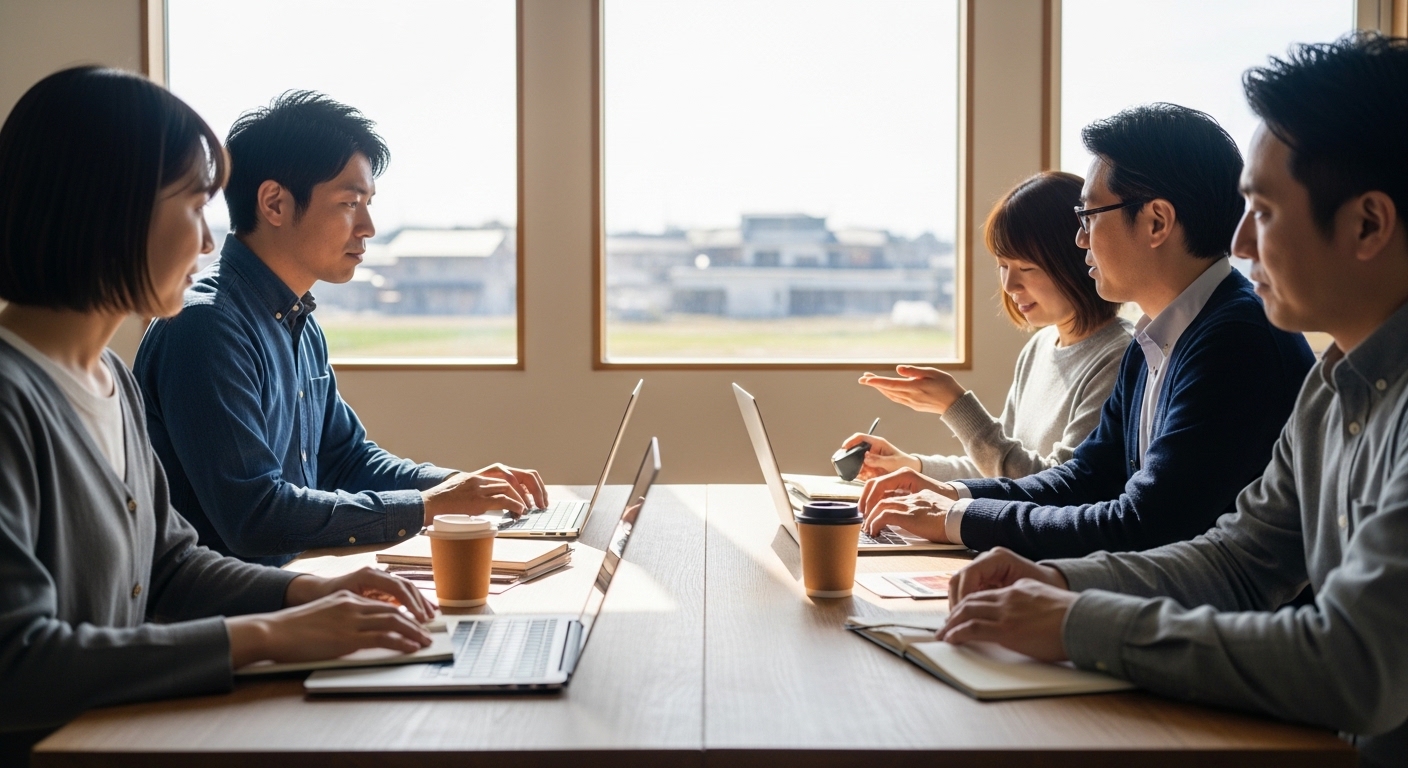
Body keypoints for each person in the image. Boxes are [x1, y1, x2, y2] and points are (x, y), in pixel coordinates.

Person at [934, 34, 1408, 767]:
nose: (1241, 242)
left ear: (1368, 224)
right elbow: (1241, 560)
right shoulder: (1331, 380)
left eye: (1265, 212)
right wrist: (1057, 580)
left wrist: (1075, 622)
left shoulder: (1246, 340)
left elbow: (1356, 665)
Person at [0, 67, 438, 764]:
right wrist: (271, 634)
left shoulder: (109, 378)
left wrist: (312, 591)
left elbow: (169, 566)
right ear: (108, 206)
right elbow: (18, 665)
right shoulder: (12, 402)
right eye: (193, 206)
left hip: (127, 736)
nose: (208, 244)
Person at [858, 103, 1315, 560]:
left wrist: (956, 519)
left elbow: (1143, 524)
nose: (1080, 239)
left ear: (1156, 221)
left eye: (1089, 216)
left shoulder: (1234, 342)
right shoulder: (1156, 337)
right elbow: (1086, 477)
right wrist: (954, 497)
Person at [135, 92, 547, 567]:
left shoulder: (298, 321)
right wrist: (429, 507)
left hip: (298, 591)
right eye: (350, 203)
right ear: (274, 203)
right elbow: (256, 516)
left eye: (368, 203)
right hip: (232, 616)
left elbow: (348, 460)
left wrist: (464, 488)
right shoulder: (205, 327)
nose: (368, 227)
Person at [839, 171, 1131, 482]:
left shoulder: (1120, 357)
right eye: (1003, 266)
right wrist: (910, 466)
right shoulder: (1040, 347)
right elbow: (1000, 468)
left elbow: (1055, 485)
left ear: (1079, 260)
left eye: (1026, 268)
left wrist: (956, 407)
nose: (1009, 285)